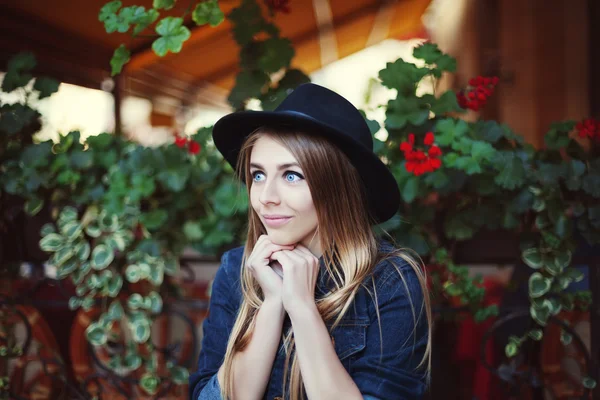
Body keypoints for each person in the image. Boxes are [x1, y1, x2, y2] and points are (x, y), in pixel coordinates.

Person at [189, 83, 432, 400]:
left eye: (291, 175)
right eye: (258, 175)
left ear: (337, 187)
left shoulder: (389, 281)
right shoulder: (236, 268)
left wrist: (302, 308)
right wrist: (273, 302)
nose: (266, 198)